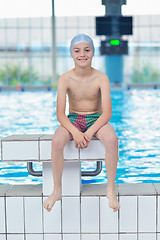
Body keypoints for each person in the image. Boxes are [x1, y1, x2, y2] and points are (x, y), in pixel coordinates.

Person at [43, 33, 120, 212]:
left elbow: (107, 113)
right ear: (72, 53)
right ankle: (57, 189)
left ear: (93, 52)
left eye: (87, 50)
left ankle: (110, 189)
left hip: (96, 118)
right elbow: (60, 114)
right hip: (74, 119)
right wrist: (76, 132)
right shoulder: (64, 79)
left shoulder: (102, 78)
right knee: (56, 142)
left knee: (112, 140)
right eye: (77, 50)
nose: (82, 54)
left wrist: (90, 132)